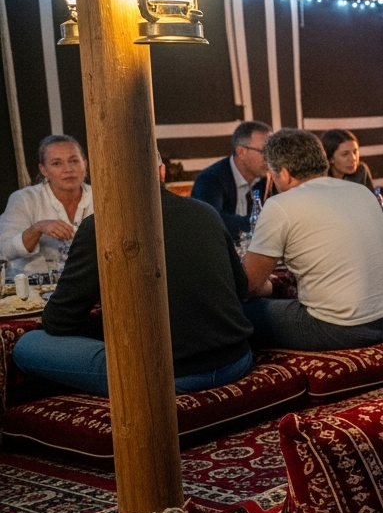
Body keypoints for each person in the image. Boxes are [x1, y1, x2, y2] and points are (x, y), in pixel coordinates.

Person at [13, 154, 253, 395]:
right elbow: (241, 289)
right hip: (236, 360)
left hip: (163, 375)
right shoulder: (206, 212)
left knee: (27, 345)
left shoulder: (101, 226)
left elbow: (58, 321)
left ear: (107, 177)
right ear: (162, 172)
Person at [242, 129, 383, 350]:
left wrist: (271, 287)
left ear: (283, 173)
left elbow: (249, 285)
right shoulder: (362, 192)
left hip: (342, 328)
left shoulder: (280, 205)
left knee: (240, 314)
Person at [0, 134, 92, 276]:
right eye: (57, 163)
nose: (68, 169)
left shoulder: (100, 198)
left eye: (74, 161)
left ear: (85, 164)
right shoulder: (24, 199)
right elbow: (4, 250)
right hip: (30, 291)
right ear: (44, 170)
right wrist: (37, 228)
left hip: (85, 287)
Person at [191, 121, 271, 237]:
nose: (270, 158)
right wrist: (261, 222)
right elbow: (212, 222)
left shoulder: (266, 180)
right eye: (264, 151)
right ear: (241, 152)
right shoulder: (210, 180)